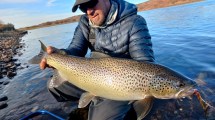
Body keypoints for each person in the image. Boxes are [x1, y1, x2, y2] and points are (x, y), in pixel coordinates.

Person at [40, 0, 155, 119]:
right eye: (83, 7)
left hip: (121, 86)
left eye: (91, 3)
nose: (89, 11)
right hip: (93, 78)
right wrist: (59, 54)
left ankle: (113, 104)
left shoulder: (135, 22)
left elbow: (145, 63)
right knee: (53, 86)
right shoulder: (85, 22)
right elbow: (76, 49)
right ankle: (94, 98)